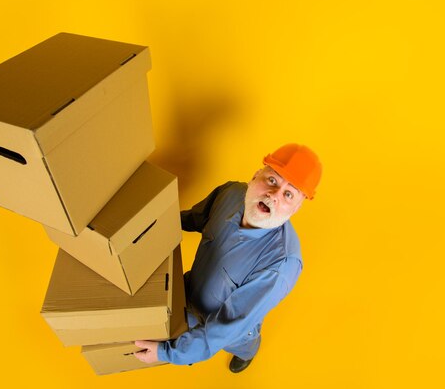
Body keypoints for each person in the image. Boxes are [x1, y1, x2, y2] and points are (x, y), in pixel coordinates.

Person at [134, 143, 322, 373]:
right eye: (272, 180)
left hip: (234, 330)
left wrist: (167, 353)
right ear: (256, 175)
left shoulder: (280, 266)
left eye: (288, 194)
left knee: (240, 342)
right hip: (189, 294)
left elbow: (225, 328)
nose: (274, 195)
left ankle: (248, 354)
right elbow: (195, 218)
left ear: (296, 208)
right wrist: (151, 225)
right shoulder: (231, 194)